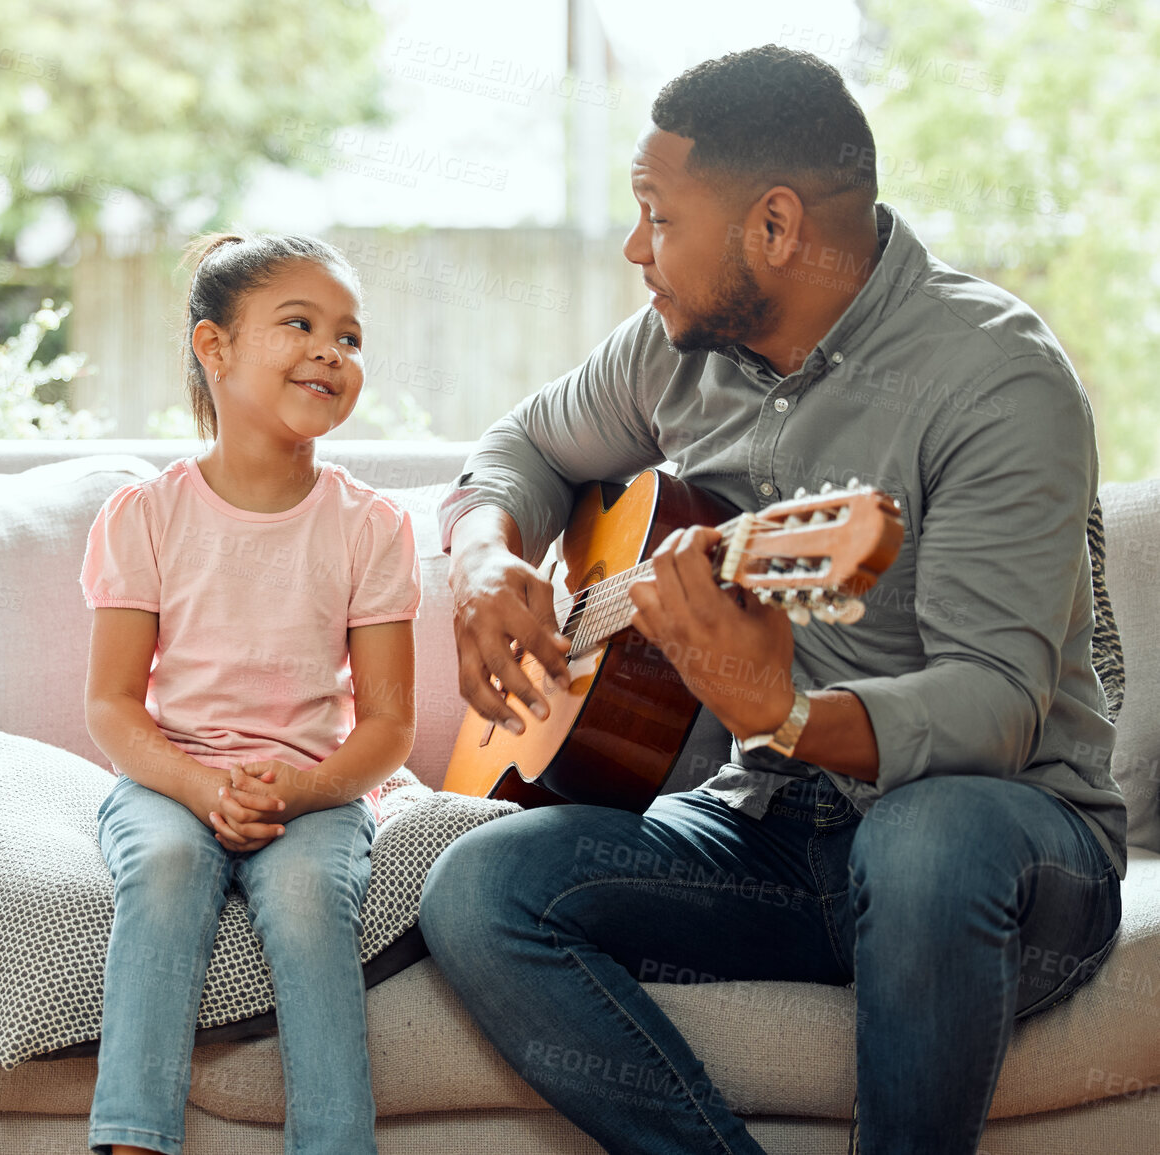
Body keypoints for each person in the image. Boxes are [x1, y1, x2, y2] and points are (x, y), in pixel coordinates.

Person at [418, 45, 1125, 1155]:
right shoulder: (671, 351)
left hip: (1009, 855)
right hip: (771, 835)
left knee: (926, 840)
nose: (632, 248)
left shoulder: (997, 379)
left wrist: (778, 712)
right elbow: (523, 447)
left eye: (658, 215)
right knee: (480, 886)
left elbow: (996, 707)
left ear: (777, 228)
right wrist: (479, 557)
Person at [80, 232, 421, 1155]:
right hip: (170, 779)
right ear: (213, 347)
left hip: (314, 786)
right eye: (299, 325)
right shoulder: (146, 515)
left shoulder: (372, 527)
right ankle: (130, 1140)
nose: (331, 352)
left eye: (349, 338)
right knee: (167, 866)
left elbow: (389, 726)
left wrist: (301, 789)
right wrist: (198, 788)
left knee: (313, 899)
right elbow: (112, 703)